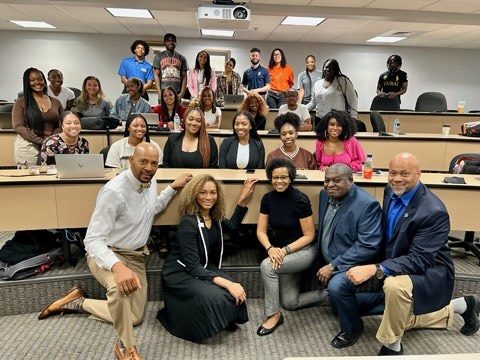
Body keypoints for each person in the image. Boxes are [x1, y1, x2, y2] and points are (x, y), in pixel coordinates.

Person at [37, 143, 192, 360]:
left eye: (154, 163)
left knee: (135, 317)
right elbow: (92, 240)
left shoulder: (150, 181)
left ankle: (77, 303)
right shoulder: (113, 191)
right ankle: (126, 347)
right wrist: (117, 267)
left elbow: (151, 209)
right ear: (130, 161)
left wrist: (172, 188)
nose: (149, 168)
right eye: (143, 162)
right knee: (119, 291)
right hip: (108, 254)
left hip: (136, 256)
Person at [345, 153, 480, 356]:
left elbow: (420, 259)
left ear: (419, 174)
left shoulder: (433, 211)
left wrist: (376, 268)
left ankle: (392, 346)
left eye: (405, 174)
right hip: (402, 260)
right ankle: (463, 305)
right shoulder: (391, 190)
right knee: (401, 318)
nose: (397, 178)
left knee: (394, 287)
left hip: (430, 268)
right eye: (392, 173)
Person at [157, 174, 257, 342]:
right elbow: (193, 267)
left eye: (213, 192)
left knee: (231, 293)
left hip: (201, 266)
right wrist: (230, 283)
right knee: (216, 295)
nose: (209, 197)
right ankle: (200, 324)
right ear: (194, 195)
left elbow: (232, 227)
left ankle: (223, 319)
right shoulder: (188, 223)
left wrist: (243, 197)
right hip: (180, 272)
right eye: (202, 193)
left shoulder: (215, 217)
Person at [316, 164, 383, 348]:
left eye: (336, 180)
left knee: (337, 288)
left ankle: (353, 328)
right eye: (327, 180)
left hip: (353, 263)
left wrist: (333, 265)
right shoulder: (325, 195)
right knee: (337, 308)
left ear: (351, 181)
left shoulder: (366, 205)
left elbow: (368, 246)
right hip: (329, 256)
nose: (330, 185)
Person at [256, 158, 325, 336]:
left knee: (267, 266)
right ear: (270, 178)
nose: (279, 181)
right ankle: (331, 294)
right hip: (279, 253)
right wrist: (270, 248)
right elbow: (261, 231)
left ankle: (273, 315)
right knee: (290, 303)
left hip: (303, 251)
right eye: (275, 177)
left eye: (284, 177)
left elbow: (309, 236)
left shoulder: (300, 199)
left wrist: (284, 250)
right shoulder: (267, 198)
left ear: (291, 177)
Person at [12, 67, 63, 165]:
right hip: (28, 146)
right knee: (30, 179)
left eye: (40, 79)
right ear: (27, 82)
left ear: (44, 80)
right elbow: (18, 127)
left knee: (51, 178)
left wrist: (50, 141)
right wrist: (41, 141)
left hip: (51, 145)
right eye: (32, 80)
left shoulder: (56, 102)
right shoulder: (21, 102)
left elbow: (62, 124)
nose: (37, 82)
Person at [153, 33, 188, 100]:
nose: (171, 43)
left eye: (173, 41)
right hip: (163, 90)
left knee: (177, 110)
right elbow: (156, 75)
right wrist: (159, 92)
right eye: (168, 41)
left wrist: (182, 92)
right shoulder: (158, 57)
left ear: (176, 42)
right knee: (163, 110)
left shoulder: (182, 58)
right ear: (164, 42)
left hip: (177, 91)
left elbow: (184, 76)